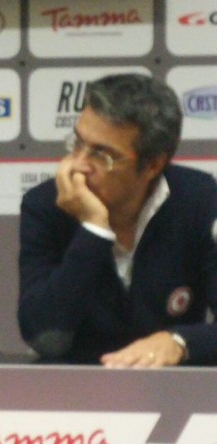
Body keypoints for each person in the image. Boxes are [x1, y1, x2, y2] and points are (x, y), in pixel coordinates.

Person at [18, 73, 217, 367]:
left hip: (169, 385)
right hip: (76, 385)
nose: (78, 165)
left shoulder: (200, 200)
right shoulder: (46, 205)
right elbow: (44, 337)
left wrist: (180, 342)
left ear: (152, 165)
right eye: (78, 143)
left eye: (102, 155)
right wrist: (93, 231)